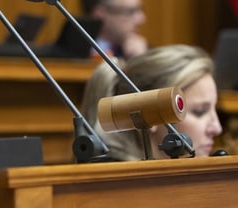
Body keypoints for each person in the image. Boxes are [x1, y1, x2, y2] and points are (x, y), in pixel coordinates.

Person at [81, 44, 223, 161]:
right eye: (200, 112)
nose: (217, 128)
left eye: (214, 109)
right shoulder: (119, 186)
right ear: (149, 113)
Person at [80, 0, 149, 59]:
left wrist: (140, 61)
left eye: (140, 9)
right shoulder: (70, 57)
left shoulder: (146, 52)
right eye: (130, 12)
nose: (141, 19)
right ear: (100, 14)